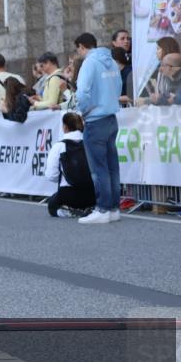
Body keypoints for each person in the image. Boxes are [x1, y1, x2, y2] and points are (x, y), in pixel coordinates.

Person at [73, 33, 121, 224]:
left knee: (98, 167)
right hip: (110, 116)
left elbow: (82, 91)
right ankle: (113, 208)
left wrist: (82, 112)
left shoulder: (89, 63)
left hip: (95, 118)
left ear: (82, 46)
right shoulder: (110, 60)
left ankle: (102, 208)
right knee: (112, 166)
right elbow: (118, 86)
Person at [44, 112, 96, 217]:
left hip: (68, 194)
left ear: (65, 127)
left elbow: (52, 175)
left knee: (52, 204)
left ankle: (69, 210)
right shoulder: (91, 144)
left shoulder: (59, 146)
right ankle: (89, 208)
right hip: (92, 193)